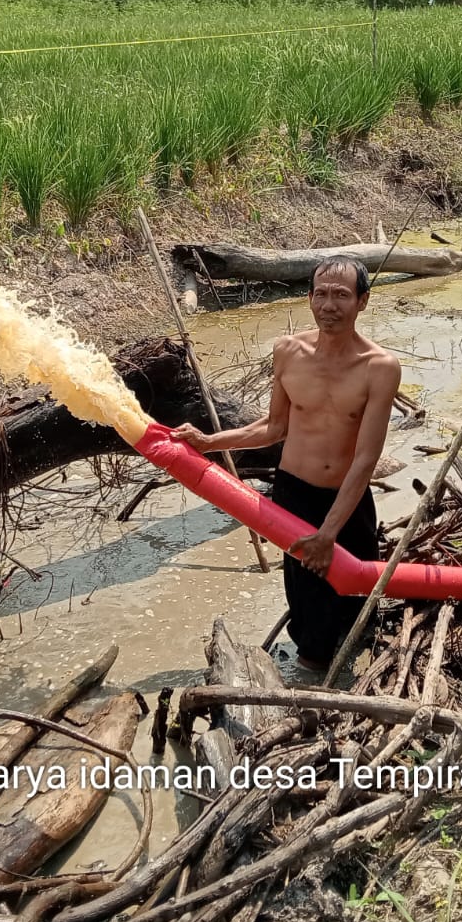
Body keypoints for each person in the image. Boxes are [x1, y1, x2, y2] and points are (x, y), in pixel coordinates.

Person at [170, 258, 400, 671]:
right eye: (322, 294)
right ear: (309, 297)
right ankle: (312, 689)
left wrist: (328, 533)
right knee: (309, 617)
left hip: (347, 504)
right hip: (294, 496)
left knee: (356, 611)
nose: (330, 303)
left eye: (342, 295)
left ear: (362, 301)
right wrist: (208, 442)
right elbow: (274, 427)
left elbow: (365, 459)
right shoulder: (288, 351)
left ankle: (349, 680)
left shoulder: (379, 368)